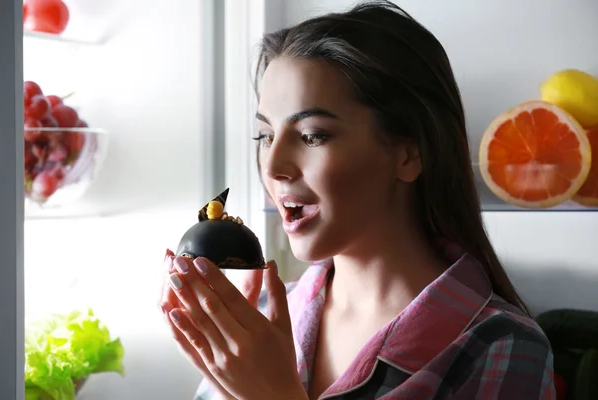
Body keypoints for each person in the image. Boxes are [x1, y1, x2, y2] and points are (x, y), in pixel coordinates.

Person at [158, 1, 556, 399]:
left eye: (313, 135)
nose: (274, 166)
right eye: (265, 136)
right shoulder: (254, 319)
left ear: (408, 154)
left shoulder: (503, 349)